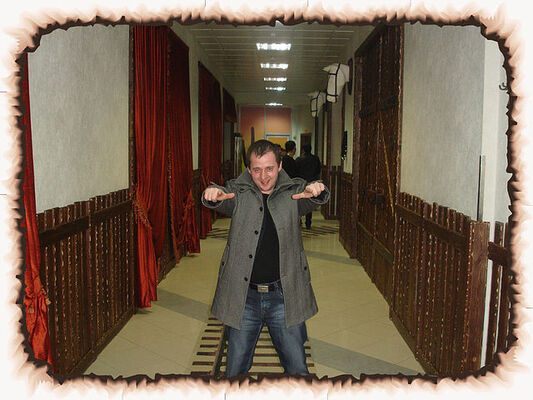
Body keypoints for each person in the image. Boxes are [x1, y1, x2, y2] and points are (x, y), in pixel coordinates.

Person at [201, 139, 329, 377]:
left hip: (284, 296)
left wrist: (316, 190)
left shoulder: (293, 192)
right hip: (244, 297)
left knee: (297, 370)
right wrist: (212, 194)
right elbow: (220, 195)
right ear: (249, 169)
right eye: (257, 169)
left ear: (280, 166)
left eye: (269, 168)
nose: (263, 176)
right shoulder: (238, 192)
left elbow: (311, 196)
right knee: (235, 373)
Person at [295, 144, 322, 229]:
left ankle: (299, 220)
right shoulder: (315, 159)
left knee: (299, 202)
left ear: (303, 150)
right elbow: (318, 170)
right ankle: (308, 223)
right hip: (312, 182)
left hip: (301, 183)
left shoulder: (299, 159)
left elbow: (296, 171)